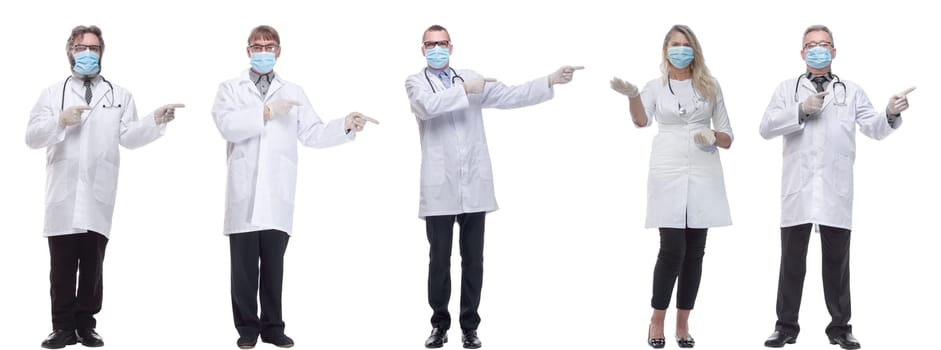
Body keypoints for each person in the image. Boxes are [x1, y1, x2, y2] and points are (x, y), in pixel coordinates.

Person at [405, 24, 582, 349]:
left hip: (474, 184)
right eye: (431, 44)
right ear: (422, 50)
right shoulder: (416, 83)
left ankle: (469, 327)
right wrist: (464, 91)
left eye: (442, 43)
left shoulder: (470, 78)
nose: (437, 48)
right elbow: (427, 107)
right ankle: (439, 325)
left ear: (451, 46)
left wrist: (549, 80)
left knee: (473, 260)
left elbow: (511, 96)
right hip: (439, 187)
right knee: (439, 260)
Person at [211, 25, 378, 350]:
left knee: (274, 268)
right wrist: (265, 112)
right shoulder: (230, 89)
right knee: (244, 271)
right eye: (257, 46)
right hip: (243, 194)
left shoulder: (294, 91)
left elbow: (312, 133)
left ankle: (273, 328)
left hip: (277, 194)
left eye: (269, 46)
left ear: (278, 51)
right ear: (248, 51)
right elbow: (227, 126)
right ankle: (247, 329)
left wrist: (345, 124)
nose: (263, 51)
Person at [26, 25, 183, 349]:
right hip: (64, 194)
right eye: (82, 47)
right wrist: (59, 121)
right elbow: (31, 137)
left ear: (102, 53)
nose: (88, 54)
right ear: (70, 50)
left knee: (93, 265)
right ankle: (62, 328)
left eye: (94, 49)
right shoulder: (52, 94)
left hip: (98, 192)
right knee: (62, 267)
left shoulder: (118, 94)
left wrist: (157, 119)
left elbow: (129, 136)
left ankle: (87, 326)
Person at [759, 25, 914, 350]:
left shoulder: (851, 91)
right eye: (811, 45)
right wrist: (800, 110)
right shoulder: (788, 89)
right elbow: (766, 128)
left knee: (837, 264)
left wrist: (890, 112)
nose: (818, 49)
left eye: (824, 44)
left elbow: (874, 127)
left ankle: (840, 329)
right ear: (802, 53)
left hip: (835, 190)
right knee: (791, 263)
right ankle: (785, 327)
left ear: (834, 51)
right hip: (798, 191)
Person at [610, 24, 733, 349]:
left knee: (695, 252)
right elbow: (640, 121)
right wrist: (633, 97)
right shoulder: (655, 86)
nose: (681, 49)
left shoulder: (710, 86)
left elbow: (727, 136)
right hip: (667, 169)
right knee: (672, 249)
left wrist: (712, 137)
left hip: (704, 169)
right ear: (666, 50)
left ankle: (683, 323)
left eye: (686, 44)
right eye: (675, 44)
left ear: (695, 49)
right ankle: (656, 318)